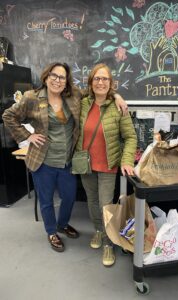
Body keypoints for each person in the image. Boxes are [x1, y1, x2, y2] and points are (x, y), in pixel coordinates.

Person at [2, 62, 127, 253]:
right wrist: (27, 136)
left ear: (66, 81)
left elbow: (99, 89)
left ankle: (62, 224)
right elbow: (8, 116)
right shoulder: (32, 98)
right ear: (46, 76)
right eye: (54, 75)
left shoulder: (73, 95)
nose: (57, 80)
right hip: (43, 161)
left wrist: (117, 95)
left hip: (67, 161)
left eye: (62, 77)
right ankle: (52, 232)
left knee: (69, 197)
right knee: (46, 200)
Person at [75, 63, 137, 267]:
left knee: (105, 205)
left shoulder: (119, 107)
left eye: (105, 79)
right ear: (91, 82)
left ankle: (109, 243)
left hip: (108, 166)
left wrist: (127, 160)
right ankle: (99, 231)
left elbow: (130, 137)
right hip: (86, 164)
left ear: (111, 83)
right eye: (96, 79)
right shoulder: (82, 103)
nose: (100, 82)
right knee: (91, 202)